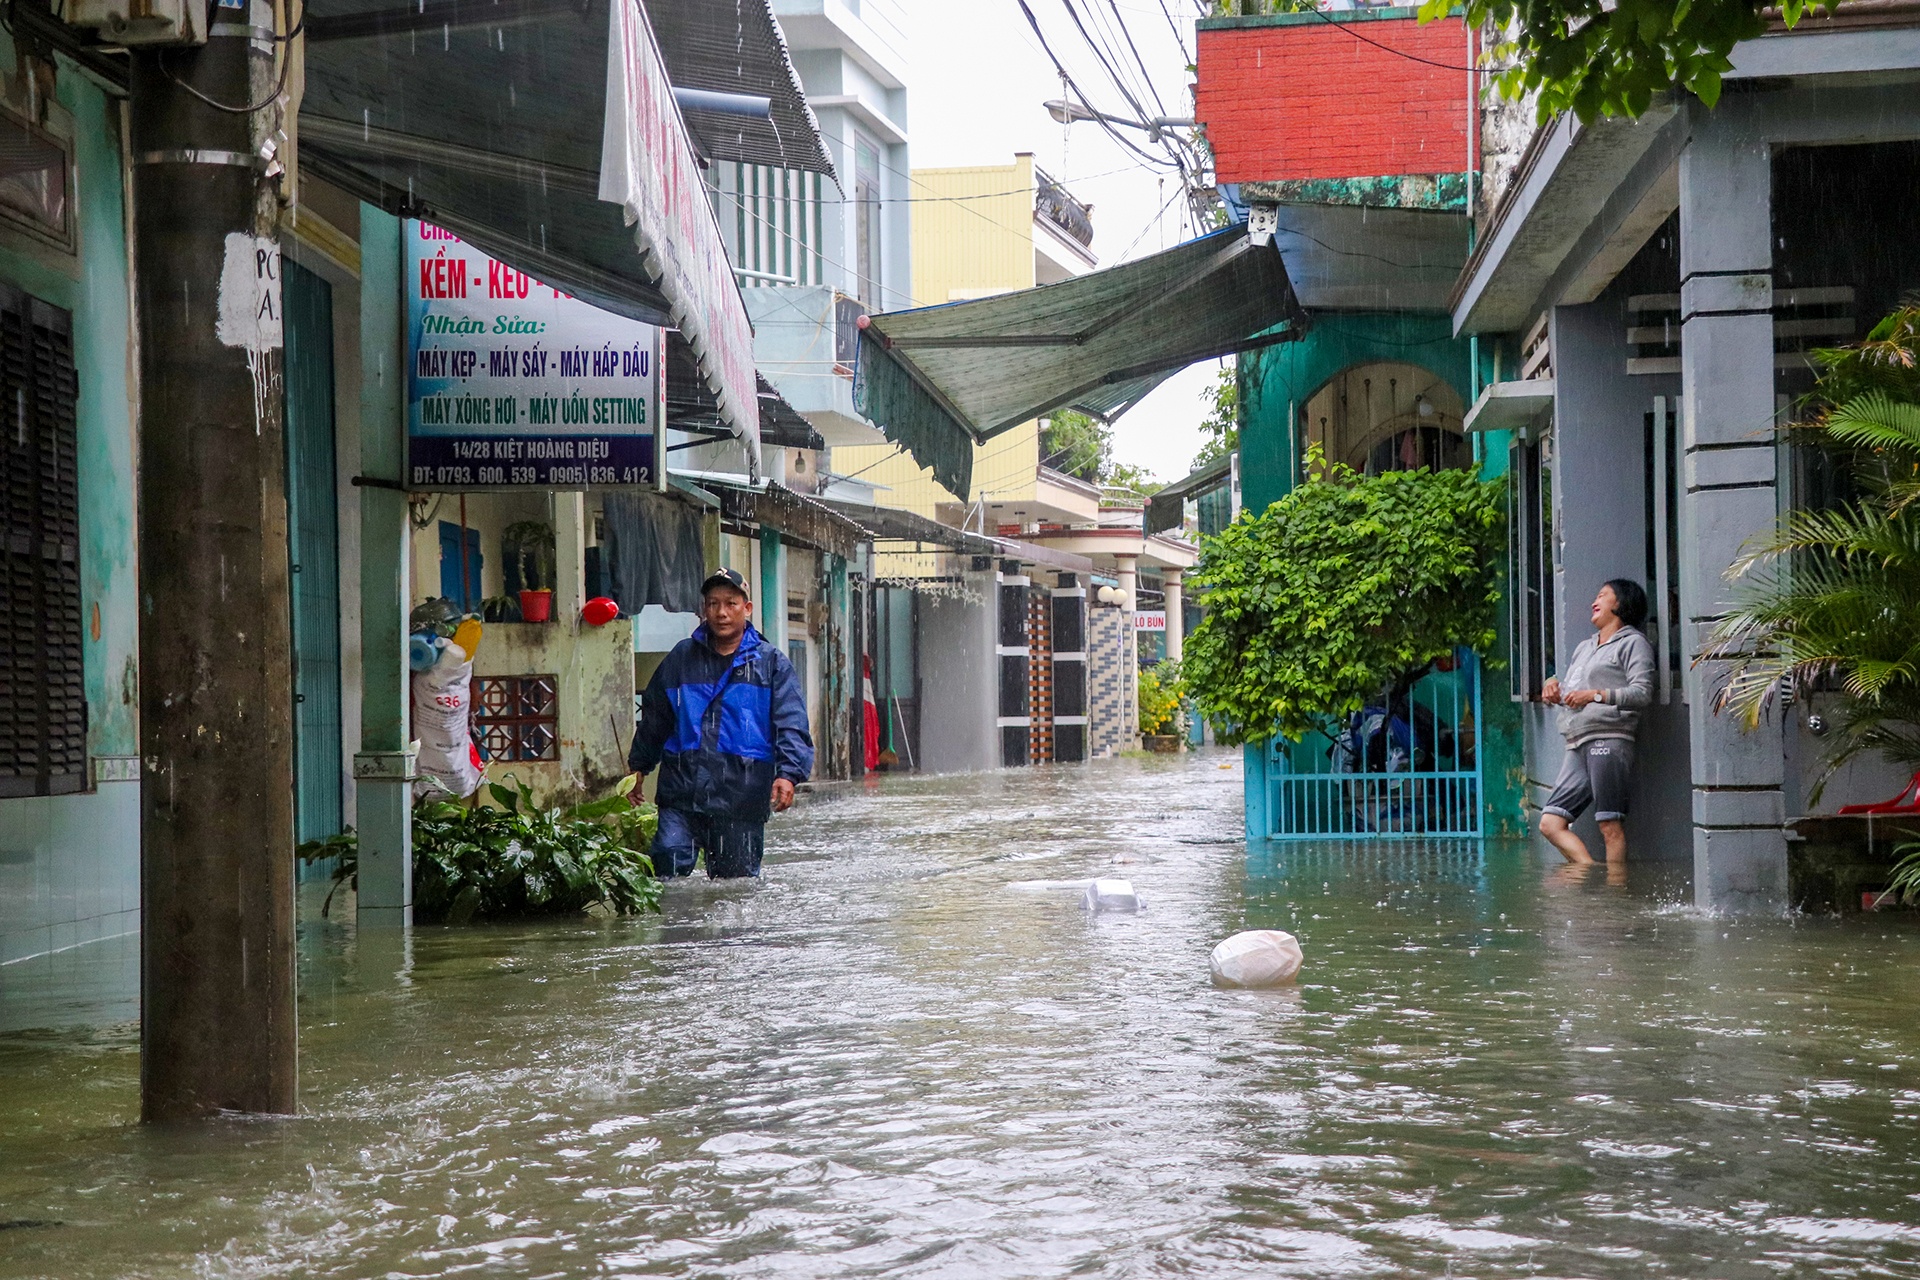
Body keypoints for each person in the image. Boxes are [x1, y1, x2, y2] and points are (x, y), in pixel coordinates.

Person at [628, 568, 813, 879]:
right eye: (713, 604)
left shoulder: (770, 664)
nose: (721, 613)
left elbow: (791, 723)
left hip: (740, 798)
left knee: (734, 892)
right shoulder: (681, 658)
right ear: (704, 610)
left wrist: (788, 774)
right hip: (681, 794)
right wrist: (639, 767)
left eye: (731, 603)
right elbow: (656, 717)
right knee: (667, 872)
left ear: (747, 608)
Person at [1539, 579, 1656, 867]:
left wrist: (1596, 695)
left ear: (1620, 604)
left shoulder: (1633, 643)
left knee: (1609, 826)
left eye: (1603, 595)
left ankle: (1615, 897)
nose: (1595, 600)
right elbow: (1571, 691)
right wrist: (1552, 685)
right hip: (1576, 740)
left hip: (1610, 738)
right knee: (1550, 824)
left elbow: (1642, 693)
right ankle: (1591, 874)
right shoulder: (1585, 647)